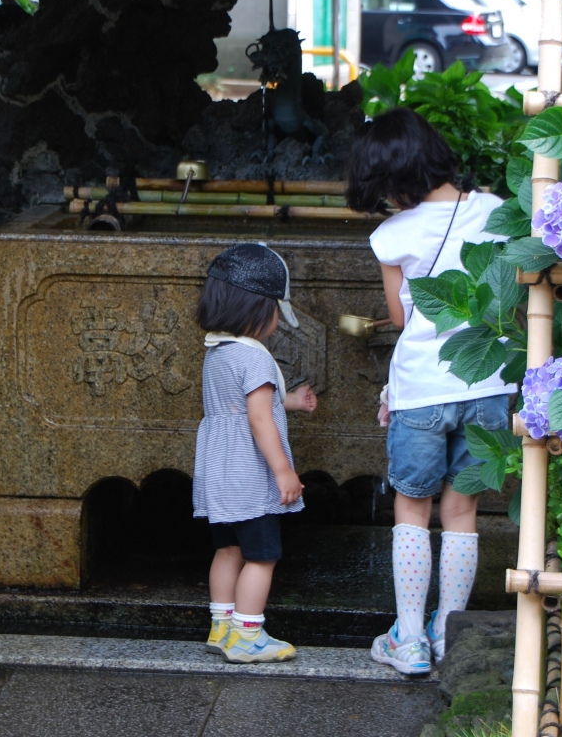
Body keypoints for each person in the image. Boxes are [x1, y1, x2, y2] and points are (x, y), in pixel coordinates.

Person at [347, 108, 516, 676]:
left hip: (420, 388)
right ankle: (451, 632)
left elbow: (399, 317)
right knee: (462, 510)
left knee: (412, 508)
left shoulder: (392, 234)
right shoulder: (496, 212)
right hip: (489, 380)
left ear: (394, 178)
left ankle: (410, 639)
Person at [193, 243, 319, 664]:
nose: (276, 322)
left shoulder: (217, 353)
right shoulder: (255, 358)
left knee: (226, 550)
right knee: (263, 556)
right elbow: (259, 420)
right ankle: (248, 634)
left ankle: (222, 627)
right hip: (250, 477)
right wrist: (284, 471)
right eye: (274, 312)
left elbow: (242, 407)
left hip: (218, 475)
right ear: (256, 309)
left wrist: (292, 402)